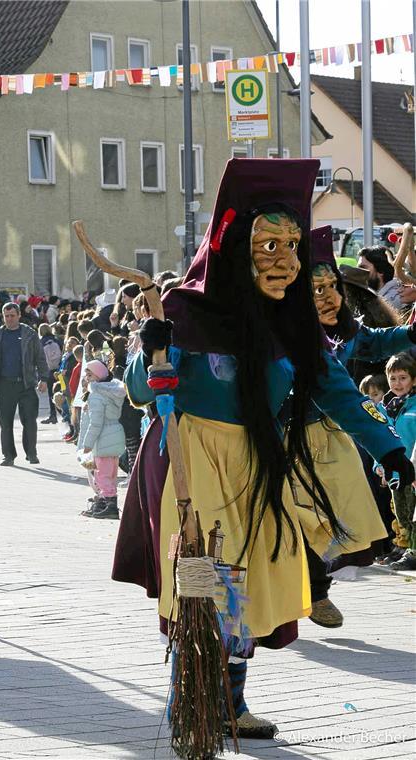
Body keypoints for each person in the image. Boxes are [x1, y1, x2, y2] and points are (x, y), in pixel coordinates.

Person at [112, 159, 414, 739]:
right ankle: (193, 698)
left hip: (256, 459)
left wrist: (391, 453)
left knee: (250, 579)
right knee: (205, 579)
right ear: (232, 249)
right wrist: (147, 350)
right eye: (268, 244)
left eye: (293, 245)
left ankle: (229, 700)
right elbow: (138, 387)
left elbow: (338, 392)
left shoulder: (290, 321)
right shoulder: (185, 308)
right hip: (189, 458)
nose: (287, 261)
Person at [300, 225, 409, 626]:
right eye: (315, 289)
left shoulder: (343, 331)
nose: (329, 297)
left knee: (337, 516)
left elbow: (375, 342)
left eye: (333, 286)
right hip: (278, 441)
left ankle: (316, 590)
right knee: (294, 519)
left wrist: (410, 333)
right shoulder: (282, 337)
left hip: (329, 436)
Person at [0, 302, 48, 465]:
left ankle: (31, 453)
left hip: (26, 384)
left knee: (30, 420)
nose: (9, 319)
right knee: (6, 423)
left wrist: (44, 378)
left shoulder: (29, 334)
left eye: (12, 315)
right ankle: (8, 456)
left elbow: (40, 357)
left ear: (18, 315)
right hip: (4, 384)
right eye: (6, 316)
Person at [77, 359, 125, 520]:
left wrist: (87, 444)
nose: (86, 377)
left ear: (98, 375)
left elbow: (96, 423)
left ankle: (109, 504)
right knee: (110, 473)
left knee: (102, 474)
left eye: (89, 374)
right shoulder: (112, 391)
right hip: (115, 434)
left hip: (104, 437)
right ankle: (104, 503)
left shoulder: (97, 395)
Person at [382, 353, 416, 571]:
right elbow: (381, 439)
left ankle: (413, 551)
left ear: (413, 380)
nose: (397, 383)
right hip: (394, 470)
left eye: (403, 378)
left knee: (413, 510)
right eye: (393, 378)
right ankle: (403, 546)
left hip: (412, 468)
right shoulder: (387, 407)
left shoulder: (413, 407)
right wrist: (379, 466)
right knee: (399, 510)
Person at [358, 245, 403, 311]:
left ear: (381, 270)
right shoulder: (374, 297)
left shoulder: (394, 299)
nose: (358, 272)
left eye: (363, 267)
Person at [37, 323, 62, 424]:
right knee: (62, 391)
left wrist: (41, 377)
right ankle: (64, 413)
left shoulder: (40, 342)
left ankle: (53, 415)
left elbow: (40, 360)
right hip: (60, 372)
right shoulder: (57, 340)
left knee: (51, 394)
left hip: (49, 372)